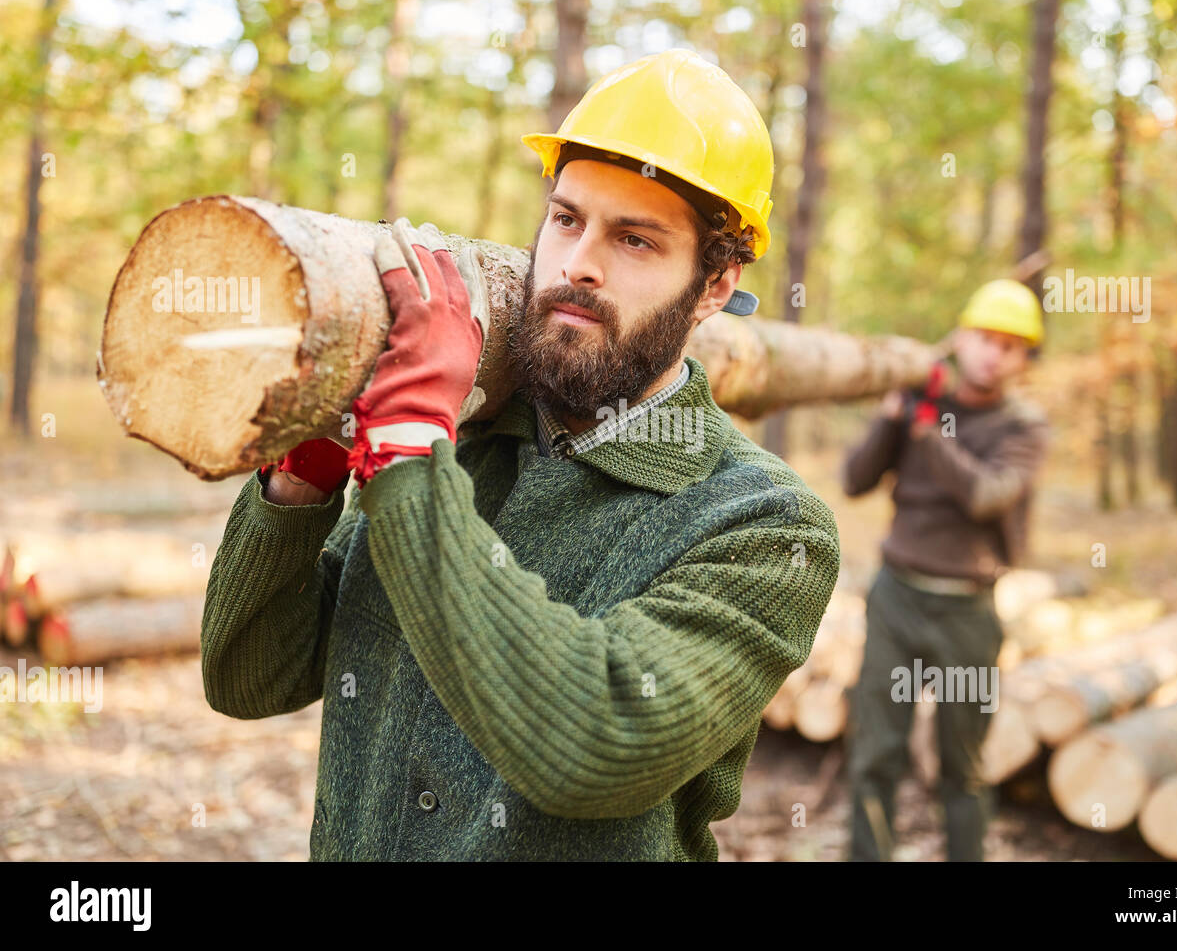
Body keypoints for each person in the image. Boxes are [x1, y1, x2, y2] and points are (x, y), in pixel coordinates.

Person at [200, 48, 839, 861]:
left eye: (635, 240)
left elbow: (593, 744)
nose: (579, 264)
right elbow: (249, 678)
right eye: (567, 219)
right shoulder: (459, 445)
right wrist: (306, 473)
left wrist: (404, 450)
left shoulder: (767, 524)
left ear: (715, 284)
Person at [842, 279, 1050, 861]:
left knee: (964, 767)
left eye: (1010, 345)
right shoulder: (919, 400)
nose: (993, 353)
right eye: (985, 338)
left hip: (967, 611)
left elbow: (987, 496)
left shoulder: (1023, 427)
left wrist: (928, 433)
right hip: (895, 600)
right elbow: (855, 480)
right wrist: (892, 417)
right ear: (961, 338)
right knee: (875, 755)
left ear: (1023, 359)